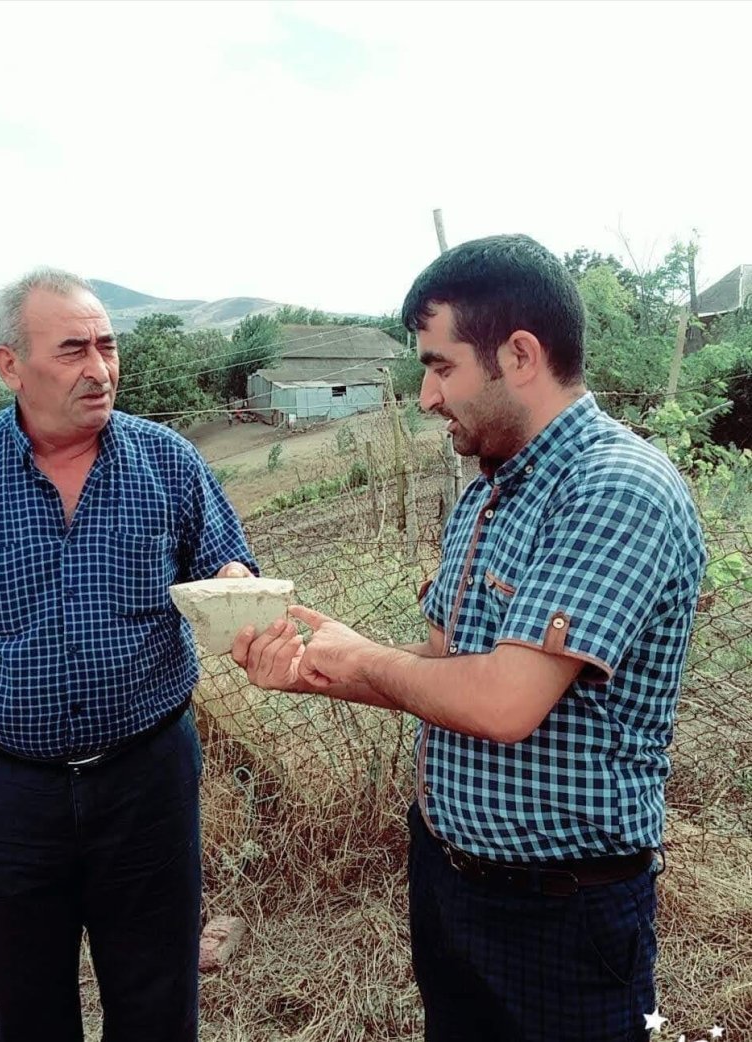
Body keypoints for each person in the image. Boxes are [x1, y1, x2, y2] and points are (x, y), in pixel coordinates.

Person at [232, 235, 706, 1042]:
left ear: (519, 355)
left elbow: (502, 703)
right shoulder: (489, 494)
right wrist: (317, 666)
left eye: (440, 366)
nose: (425, 396)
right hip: (452, 884)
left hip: (564, 914)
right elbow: (446, 669)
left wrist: (361, 658)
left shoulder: (616, 488)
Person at [0, 267, 257, 1042]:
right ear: (10, 366)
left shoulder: (168, 460)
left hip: (147, 778)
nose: (100, 368)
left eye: (107, 346)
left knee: (158, 1007)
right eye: (73, 350)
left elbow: (228, 563)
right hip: (4, 790)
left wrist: (234, 583)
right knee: (29, 1011)